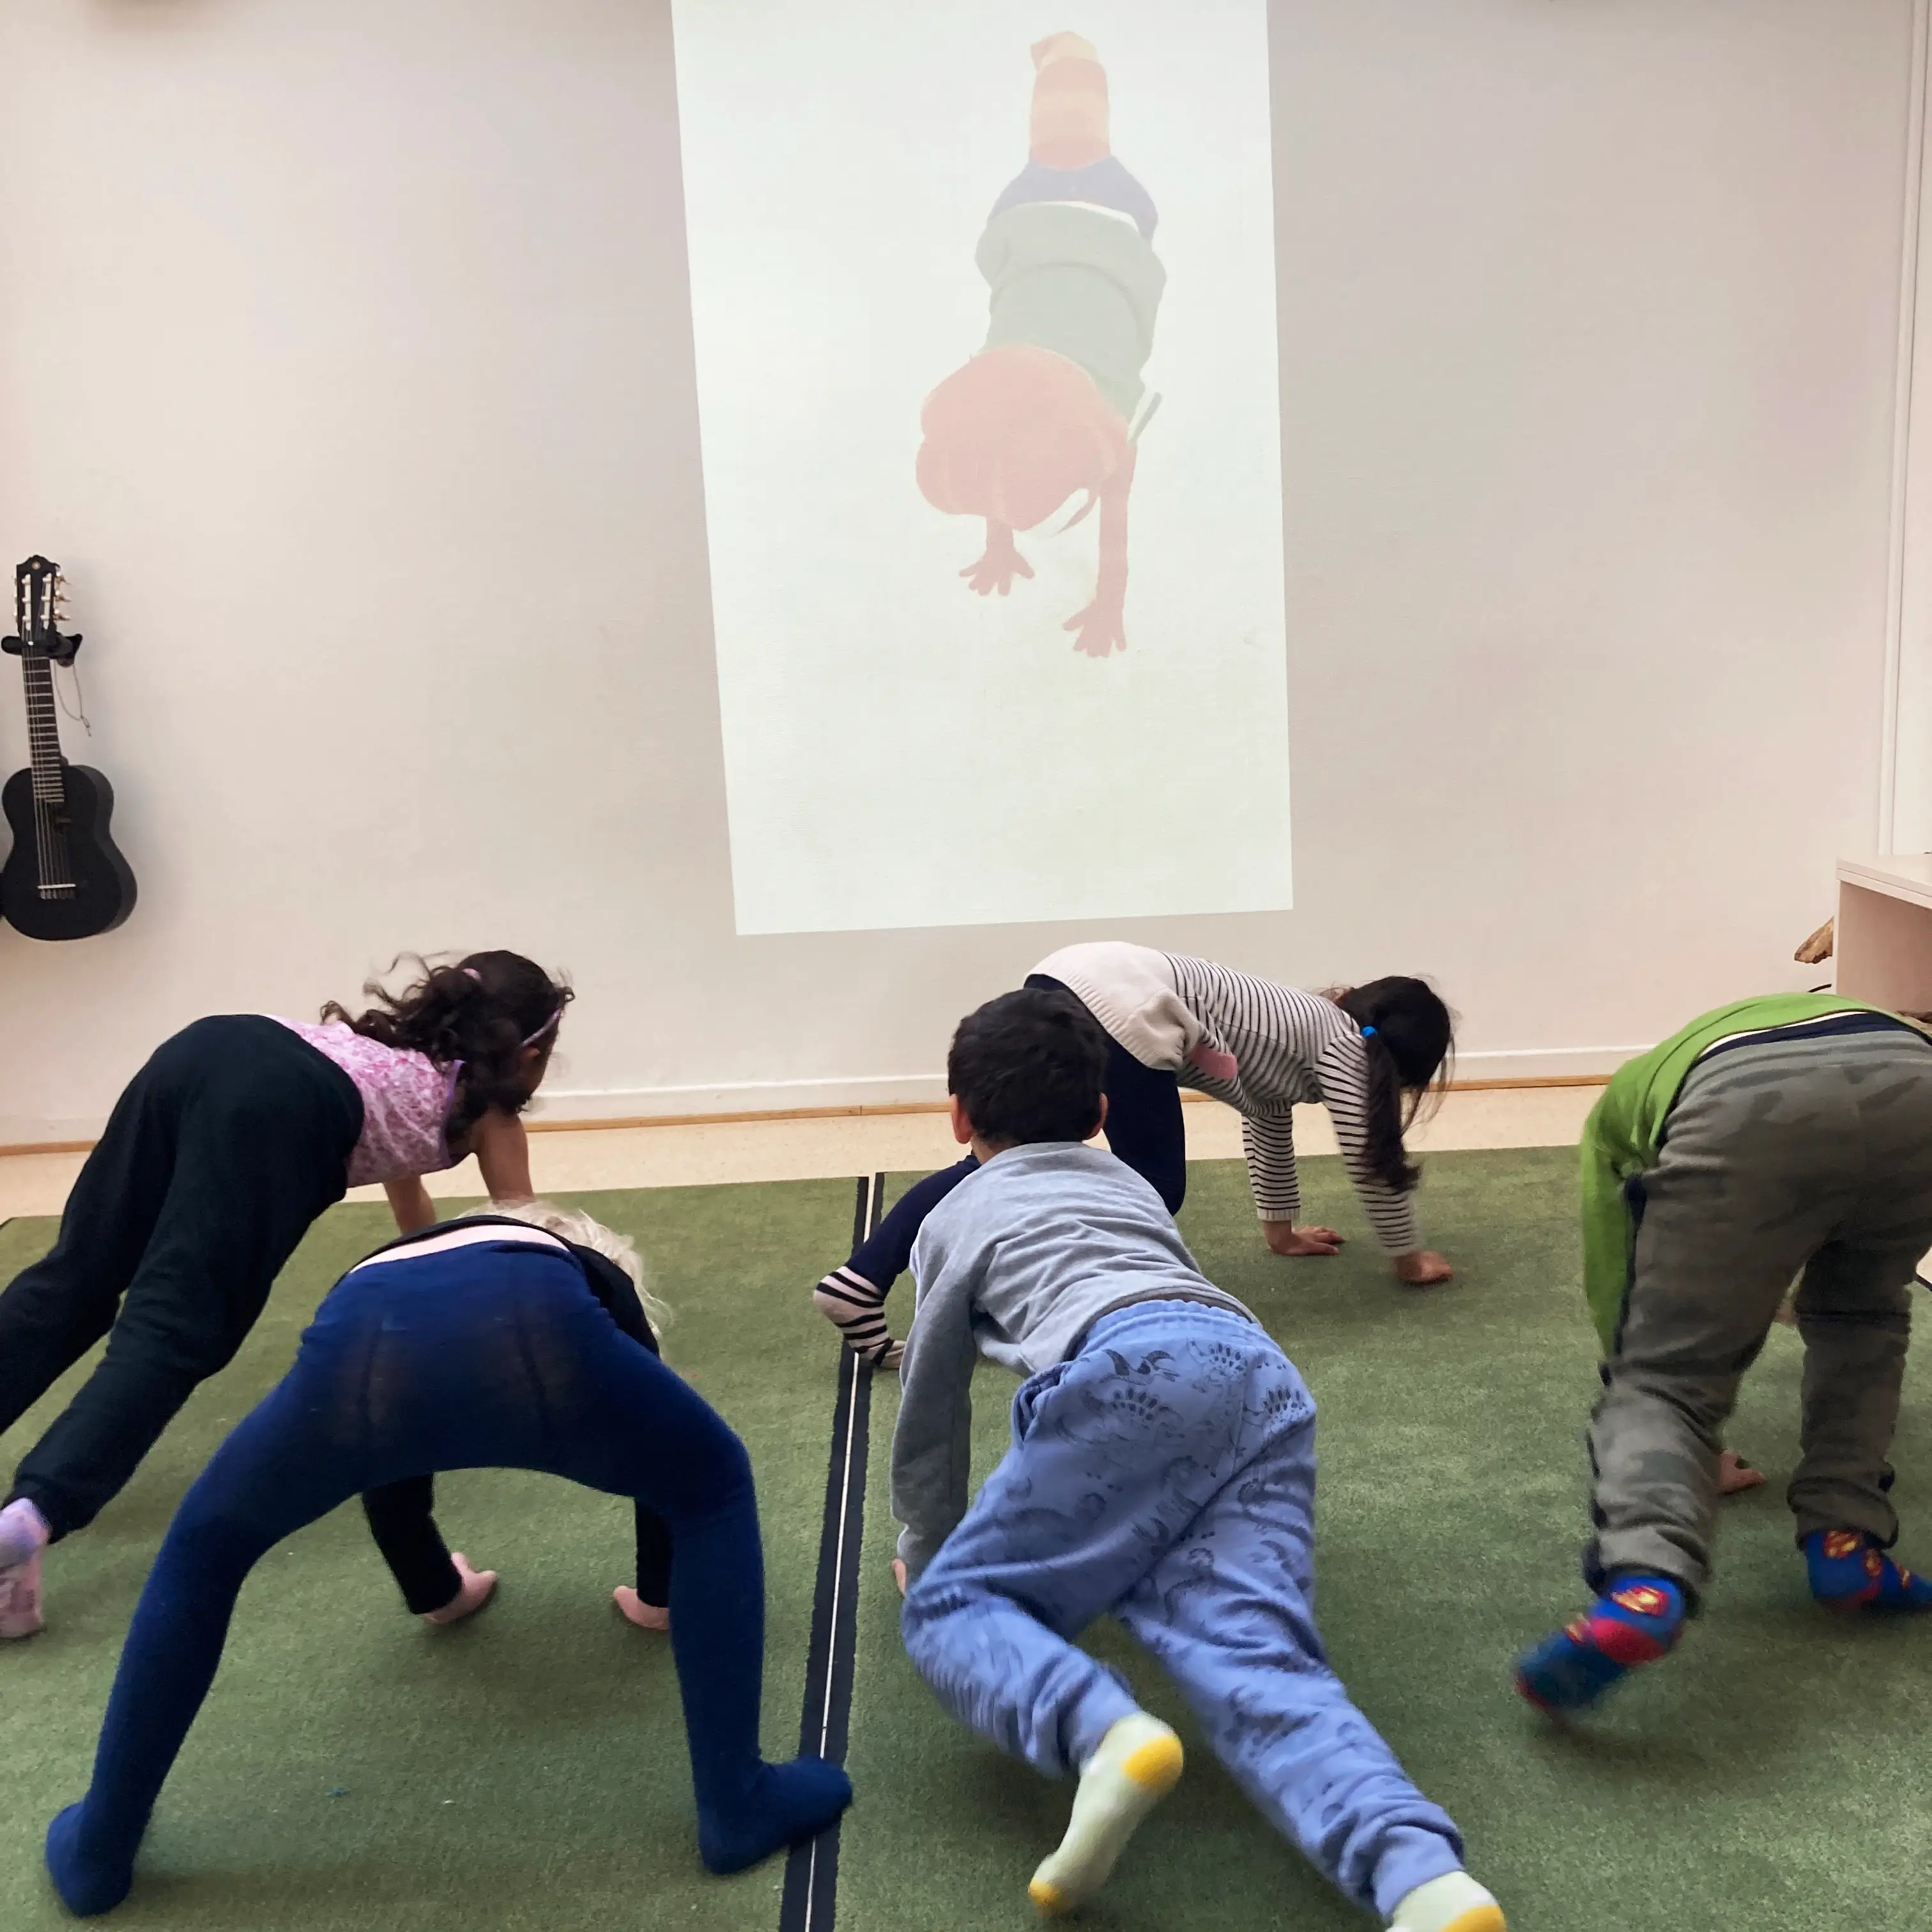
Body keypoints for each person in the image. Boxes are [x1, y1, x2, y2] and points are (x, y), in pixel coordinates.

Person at [889, 986, 1504, 1931]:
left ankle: (1105, 1734)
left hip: (1123, 1373)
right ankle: (1421, 1878)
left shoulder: (950, 1219)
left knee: (951, 1611)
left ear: (960, 1115)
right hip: (1256, 1378)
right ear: (1102, 1115)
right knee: (1257, 1656)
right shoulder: (1128, 1182)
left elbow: (931, 1403)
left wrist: (929, 1551)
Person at [41, 1208, 852, 1917]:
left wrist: (439, 1590)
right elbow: (668, 1481)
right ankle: (736, 1804)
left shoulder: (393, 1268)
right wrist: (658, 1596)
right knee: (715, 1485)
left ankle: (101, 1847)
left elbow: (386, 1470)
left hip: (355, 1353)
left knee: (203, 1553)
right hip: (541, 1337)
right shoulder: (580, 1273)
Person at [0, 950, 569, 1641]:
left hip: (210, 1046)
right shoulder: (489, 1116)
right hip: (279, 1102)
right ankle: (34, 1513)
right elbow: (528, 1239)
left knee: (76, 1274)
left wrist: (432, 1290)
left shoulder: (390, 1056)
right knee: (176, 1328)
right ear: (531, 1052)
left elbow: (410, 1204)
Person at [1517, 994, 1932, 1715]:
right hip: (1914, 1080)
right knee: (1864, 1318)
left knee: (1663, 1379)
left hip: (1745, 1110)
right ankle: (1846, 1546)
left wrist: (1659, 1390)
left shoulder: (1619, 1113)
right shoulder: (1823, 1013)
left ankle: (1644, 1585)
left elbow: (1619, 1276)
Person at [815, 942, 1456, 1367]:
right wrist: (1409, 1258)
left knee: (1003, 1158)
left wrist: (1281, 1233)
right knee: (1152, 1190)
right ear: (1397, 1063)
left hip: (1065, 975)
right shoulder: (1345, 1047)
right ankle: (1060, 1301)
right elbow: (1372, 1156)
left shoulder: (1302, 1033)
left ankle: (860, 1280)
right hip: (1127, 1011)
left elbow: (1266, 1123)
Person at [916, 33, 1164, 659]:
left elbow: (1112, 538)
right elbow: (994, 436)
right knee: (1063, 138)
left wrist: (1109, 601)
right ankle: (1066, 56)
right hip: (1033, 225)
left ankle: (1070, 56)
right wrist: (1002, 540)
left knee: (1075, 136)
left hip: (1113, 233)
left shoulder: (1106, 439)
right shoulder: (999, 395)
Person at [354, 1199, 676, 1632]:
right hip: (573, 1366)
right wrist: (662, 1595)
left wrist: (435, 1591)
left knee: (390, 1459)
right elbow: (669, 1452)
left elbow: (386, 1487)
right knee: (663, 1446)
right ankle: (663, 1598)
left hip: (415, 1364)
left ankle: (438, 1595)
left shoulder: (403, 1340)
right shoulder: (596, 1305)